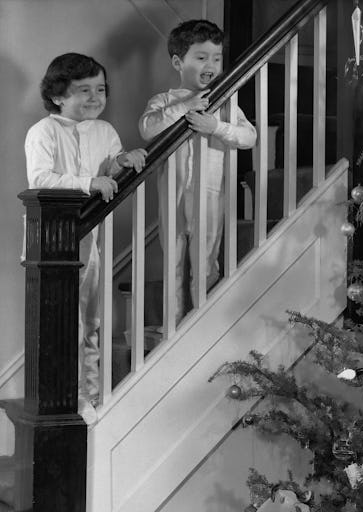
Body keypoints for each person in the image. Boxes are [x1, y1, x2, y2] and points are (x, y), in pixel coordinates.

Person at [25, 52, 147, 423]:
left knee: (92, 318)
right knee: (65, 320)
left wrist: (122, 161)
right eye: (84, 90)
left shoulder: (105, 130)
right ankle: (64, 395)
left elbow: (109, 165)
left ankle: (89, 393)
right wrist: (88, 183)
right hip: (54, 239)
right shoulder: (43, 132)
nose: (95, 97)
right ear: (59, 95)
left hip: (92, 234)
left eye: (100, 89)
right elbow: (41, 180)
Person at [139, 19, 257, 321]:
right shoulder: (164, 101)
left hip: (210, 193)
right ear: (179, 62)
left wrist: (216, 126)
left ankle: (203, 327)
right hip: (173, 195)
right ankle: (173, 333)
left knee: (206, 265)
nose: (211, 65)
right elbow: (148, 129)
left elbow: (249, 137)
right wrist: (188, 105)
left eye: (217, 58)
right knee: (173, 266)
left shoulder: (225, 102)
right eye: (201, 57)